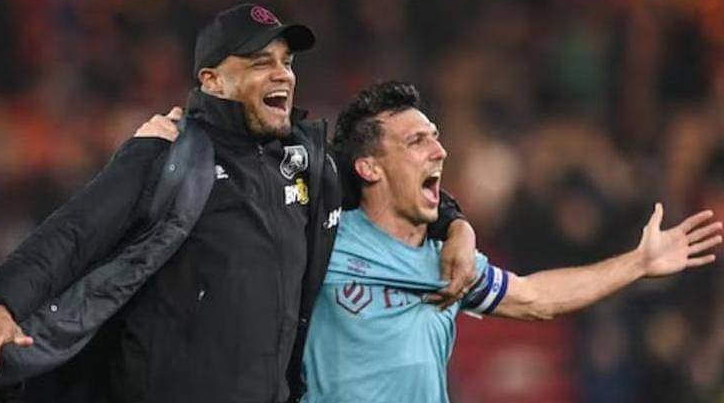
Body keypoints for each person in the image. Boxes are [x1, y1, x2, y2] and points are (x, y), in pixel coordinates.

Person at [0, 5, 475, 403]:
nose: (282, 74)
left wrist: (455, 227)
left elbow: (385, 175)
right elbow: (74, 231)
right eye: (260, 63)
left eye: (287, 62)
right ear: (212, 81)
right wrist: (0, 305)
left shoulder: (308, 163)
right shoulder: (169, 155)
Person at [301, 81, 723, 403]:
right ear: (369, 168)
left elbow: (536, 297)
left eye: (435, 136)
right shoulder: (320, 241)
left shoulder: (450, 261)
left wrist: (638, 263)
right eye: (416, 141)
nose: (440, 151)